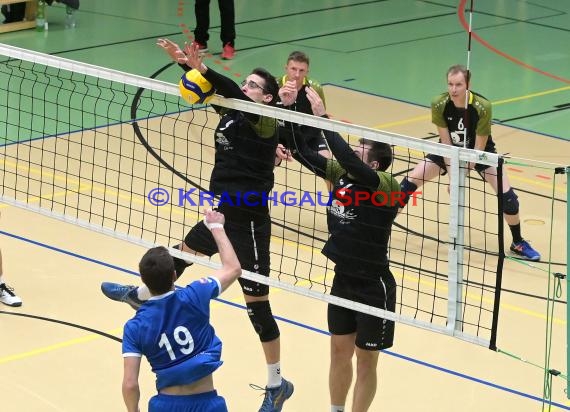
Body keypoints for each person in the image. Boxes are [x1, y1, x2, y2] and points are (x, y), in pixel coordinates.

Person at [102, 38, 294, 412]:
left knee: (257, 306)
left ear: (268, 98)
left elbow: (224, 87)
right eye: (247, 84)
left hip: (249, 219)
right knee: (178, 257)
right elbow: (219, 90)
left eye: (254, 86)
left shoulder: (265, 119)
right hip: (222, 211)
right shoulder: (231, 109)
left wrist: (203, 69)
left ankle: (277, 384)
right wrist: (184, 66)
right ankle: (139, 295)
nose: (246, 88)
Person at [285, 87, 398, 412]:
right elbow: (303, 151)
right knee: (338, 352)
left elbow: (345, 157)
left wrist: (323, 117)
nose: (352, 151)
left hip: (373, 286)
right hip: (343, 280)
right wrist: (292, 111)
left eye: (360, 148)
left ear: (374, 162)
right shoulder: (343, 177)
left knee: (366, 362)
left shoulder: (383, 186)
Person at [399, 64, 540, 261]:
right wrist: (453, 175)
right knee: (405, 186)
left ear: (468, 84)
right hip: (448, 151)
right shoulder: (439, 103)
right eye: (450, 84)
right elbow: (446, 144)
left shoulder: (482, 107)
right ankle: (379, 230)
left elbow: (479, 149)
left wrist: (461, 176)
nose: (454, 89)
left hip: (480, 154)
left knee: (509, 199)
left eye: (458, 84)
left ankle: (518, 242)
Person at [121, 209, 241, 412]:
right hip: (208, 405)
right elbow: (233, 268)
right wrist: (216, 226)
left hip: (166, 406)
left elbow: (130, 385)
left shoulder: (134, 327)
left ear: (144, 282)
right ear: (175, 275)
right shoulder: (195, 295)